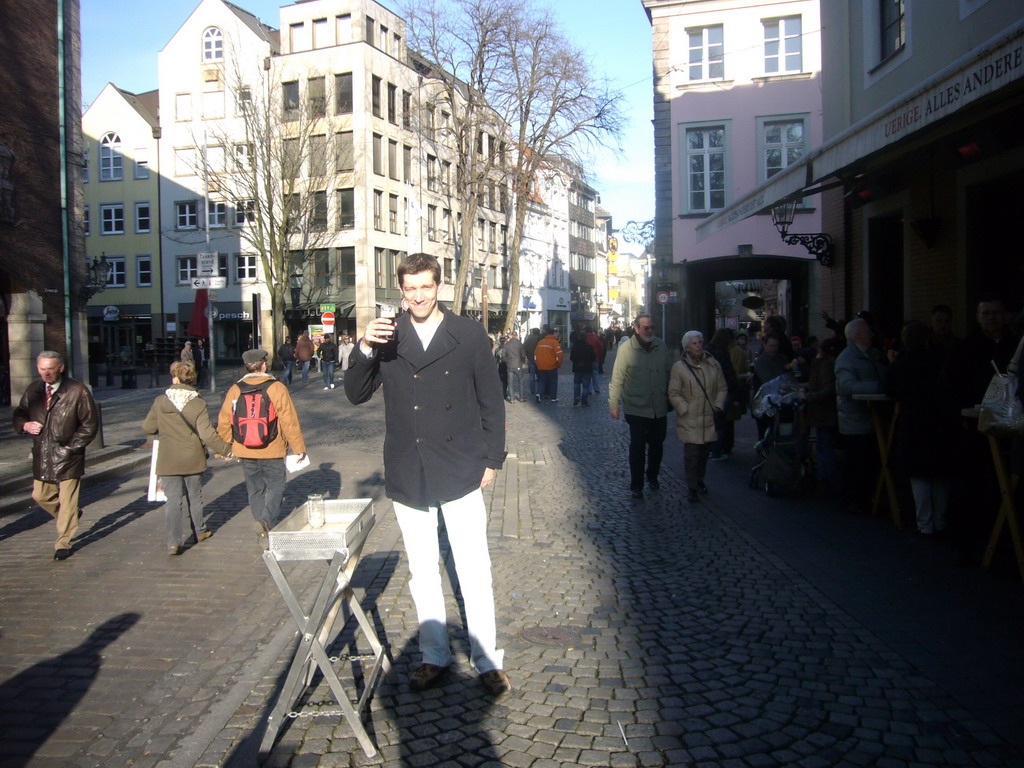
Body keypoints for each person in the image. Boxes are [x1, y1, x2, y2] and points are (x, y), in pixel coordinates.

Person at [344, 252, 511, 697]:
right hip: (408, 467)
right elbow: (356, 395)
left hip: (460, 465)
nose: (418, 296)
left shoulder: (468, 333)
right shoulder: (388, 336)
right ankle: (434, 655)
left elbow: (491, 401)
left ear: (438, 286)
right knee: (422, 570)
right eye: (410, 288)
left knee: (473, 568)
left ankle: (487, 659)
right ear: (400, 290)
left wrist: (493, 459)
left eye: (426, 287)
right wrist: (363, 348)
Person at [13, 351, 99, 560]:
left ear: (60, 367)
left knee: (68, 500)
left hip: (68, 454)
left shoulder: (77, 391)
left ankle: (63, 542)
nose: (46, 373)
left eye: (50, 368)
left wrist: (71, 448)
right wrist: (24, 425)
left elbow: (90, 424)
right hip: (42, 452)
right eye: (42, 369)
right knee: (40, 495)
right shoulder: (34, 390)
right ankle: (68, 516)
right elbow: (20, 412)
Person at [216, 348, 307, 544]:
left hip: (244, 448)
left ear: (246, 366)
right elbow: (288, 420)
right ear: (263, 365)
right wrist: (298, 447)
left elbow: (225, 420)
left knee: (255, 489)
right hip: (272, 448)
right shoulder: (276, 388)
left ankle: (262, 526)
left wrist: (224, 447)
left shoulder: (235, 389)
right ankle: (265, 522)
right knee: (276, 488)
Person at [142, 361, 233, 555]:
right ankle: (199, 531)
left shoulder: (161, 401)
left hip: (168, 457)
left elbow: (148, 428)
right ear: (192, 379)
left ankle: (173, 542)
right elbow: (207, 435)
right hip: (192, 456)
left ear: (175, 378)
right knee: (195, 496)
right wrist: (227, 450)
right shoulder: (198, 402)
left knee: (173, 501)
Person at [886, 322, 955, 536]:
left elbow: (890, 390)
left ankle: (924, 522)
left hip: (913, 422)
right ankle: (941, 520)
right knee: (940, 474)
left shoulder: (900, 365)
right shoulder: (940, 361)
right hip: (940, 421)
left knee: (919, 475)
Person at [608, 314, 673, 499]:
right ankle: (636, 484)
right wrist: (614, 404)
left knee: (657, 445)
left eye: (652, 327)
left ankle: (652, 475)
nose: (650, 331)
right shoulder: (626, 349)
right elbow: (617, 378)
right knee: (637, 447)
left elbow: (669, 373)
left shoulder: (661, 346)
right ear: (636, 328)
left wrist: (673, 396)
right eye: (646, 328)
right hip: (636, 407)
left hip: (659, 406)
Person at [835, 318, 886, 515]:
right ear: (857, 335)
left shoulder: (873, 355)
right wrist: (878, 387)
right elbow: (847, 386)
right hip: (854, 420)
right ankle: (853, 500)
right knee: (856, 463)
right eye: (867, 331)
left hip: (871, 419)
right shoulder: (846, 358)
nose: (871, 334)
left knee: (869, 462)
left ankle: (866, 498)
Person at [669, 331, 727, 503]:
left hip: (709, 417)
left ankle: (700, 480)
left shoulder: (713, 364)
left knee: (703, 454)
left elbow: (722, 387)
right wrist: (684, 408)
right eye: (694, 343)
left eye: (700, 342)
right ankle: (692, 487)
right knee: (691, 455)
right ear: (687, 347)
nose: (699, 346)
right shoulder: (679, 368)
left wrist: (718, 405)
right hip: (690, 418)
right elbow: (673, 392)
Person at [801, 337, 842, 492]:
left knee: (824, 446)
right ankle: (825, 477)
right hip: (824, 411)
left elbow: (828, 389)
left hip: (822, 411)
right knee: (823, 445)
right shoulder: (828, 363)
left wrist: (809, 395)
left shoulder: (825, 364)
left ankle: (826, 478)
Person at [705, 328, 741, 460]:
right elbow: (728, 372)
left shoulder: (707, 350)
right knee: (720, 422)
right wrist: (735, 389)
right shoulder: (721, 352)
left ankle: (709, 449)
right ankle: (716, 451)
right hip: (723, 390)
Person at [534, 325, 563, 403]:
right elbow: (559, 354)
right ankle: (553, 397)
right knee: (553, 382)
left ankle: (539, 394)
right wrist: (558, 364)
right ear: (553, 334)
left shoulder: (540, 342)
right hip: (552, 366)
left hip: (541, 366)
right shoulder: (554, 342)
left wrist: (538, 363)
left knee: (542, 381)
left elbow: (535, 354)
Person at [570, 330, 595, 407]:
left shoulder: (575, 347)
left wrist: (577, 362)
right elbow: (593, 357)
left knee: (577, 383)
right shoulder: (589, 347)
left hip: (577, 368)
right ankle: (584, 401)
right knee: (586, 385)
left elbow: (572, 357)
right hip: (587, 368)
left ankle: (576, 397)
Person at [502, 330, 527, 403]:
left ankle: (512, 398)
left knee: (510, 382)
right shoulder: (520, 344)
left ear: (511, 336)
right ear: (516, 336)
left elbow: (503, 355)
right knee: (521, 381)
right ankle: (521, 397)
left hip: (510, 364)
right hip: (518, 364)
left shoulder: (507, 344)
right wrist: (522, 361)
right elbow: (523, 354)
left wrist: (507, 361)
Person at [585, 326, 605, 394]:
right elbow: (601, 346)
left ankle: (589, 389)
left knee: (587, 374)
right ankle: (596, 388)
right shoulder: (595, 337)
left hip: (587, 359)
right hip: (595, 358)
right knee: (595, 373)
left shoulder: (585, 338)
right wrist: (598, 355)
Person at [523, 328, 541, 397]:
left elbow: (524, 347)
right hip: (539, 358)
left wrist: (526, 356)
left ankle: (532, 389)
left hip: (531, 358)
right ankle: (540, 389)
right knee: (540, 375)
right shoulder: (540, 338)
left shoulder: (529, 339)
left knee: (532, 375)